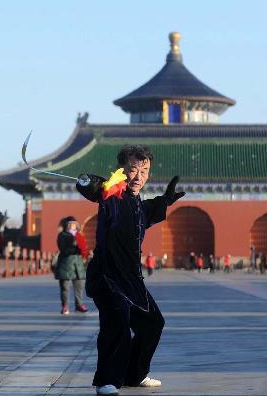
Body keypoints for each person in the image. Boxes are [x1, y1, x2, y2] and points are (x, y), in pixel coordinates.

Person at [76, 144, 185, 396]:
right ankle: (108, 379)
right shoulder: (112, 196)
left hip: (132, 279)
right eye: (134, 170)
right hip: (108, 276)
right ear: (122, 170)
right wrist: (89, 184)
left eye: (145, 171)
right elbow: (93, 191)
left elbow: (145, 214)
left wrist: (165, 201)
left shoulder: (136, 202)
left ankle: (135, 375)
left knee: (153, 323)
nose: (139, 177)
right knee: (117, 323)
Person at [55, 217, 89, 315]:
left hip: (78, 264)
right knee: (65, 287)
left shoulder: (79, 235)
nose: (72, 226)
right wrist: (75, 248)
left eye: (74, 224)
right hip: (66, 263)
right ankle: (65, 306)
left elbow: (83, 248)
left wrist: (84, 251)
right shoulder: (62, 235)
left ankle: (79, 305)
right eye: (70, 224)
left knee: (79, 286)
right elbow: (63, 248)